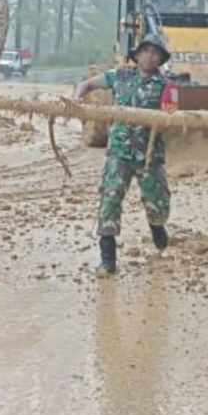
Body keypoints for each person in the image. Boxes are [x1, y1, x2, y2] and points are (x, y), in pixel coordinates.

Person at [72, 33, 174, 275]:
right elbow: (86, 85)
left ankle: (157, 226)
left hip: (149, 153)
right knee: (110, 197)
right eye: (146, 51)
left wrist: (159, 118)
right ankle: (108, 260)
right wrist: (76, 98)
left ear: (160, 59)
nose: (150, 56)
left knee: (158, 204)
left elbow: (171, 117)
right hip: (118, 150)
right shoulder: (120, 75)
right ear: (136, 55)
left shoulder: (167, 86)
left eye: (155, 53)